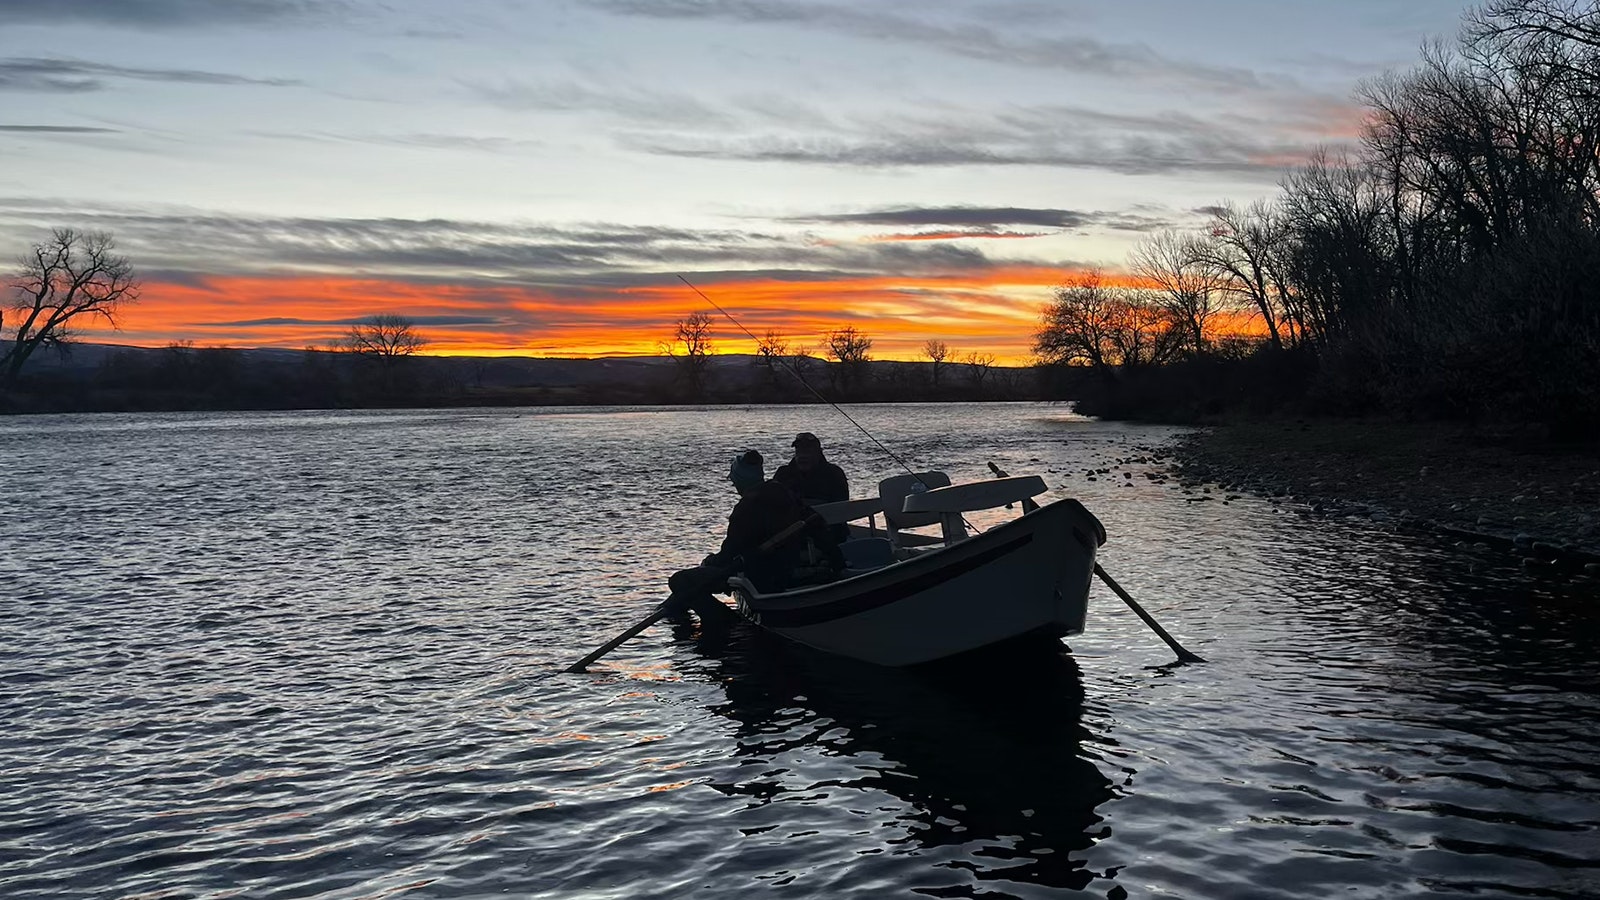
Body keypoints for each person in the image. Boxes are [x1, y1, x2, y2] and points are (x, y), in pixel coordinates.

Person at [665, 449, 843, 625]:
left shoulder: (745, 509)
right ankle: (672, 610)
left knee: (680, 581)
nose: (734, 486)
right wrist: (837, 562)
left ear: (740, 481)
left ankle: (724, 622)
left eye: (734, 481)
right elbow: (817, 524)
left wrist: (711, 561)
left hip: (766, 575)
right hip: (795, 564)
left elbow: (729, 553)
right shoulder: (784, 492)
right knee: (680, 597)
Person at [773, 432, 850, 543]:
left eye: (808, 450)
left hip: (829, 533)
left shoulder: (834, 474)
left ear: (818, 452)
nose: (803, 455)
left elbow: (841, 508)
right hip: (791, 535)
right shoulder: (783, 473)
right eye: (799, 450)